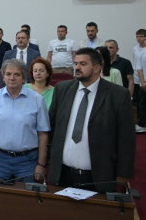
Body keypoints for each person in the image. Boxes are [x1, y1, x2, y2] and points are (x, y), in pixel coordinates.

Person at [48, 48, 136, 192]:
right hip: (63, 172)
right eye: (76, 63)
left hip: (98, 174)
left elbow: (126, 138)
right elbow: (52, 126)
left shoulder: (118, 95)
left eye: (83, 64)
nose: (77, 67)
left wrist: (123, 172)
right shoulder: (62, 89)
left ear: (97, 68)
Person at [0, 59, 50, 181]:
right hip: (0, 160)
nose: (12, 78)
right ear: (3, 77)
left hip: (28, 161)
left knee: (27, 193)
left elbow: (43, 134)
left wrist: (41, 164)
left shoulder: (37, 100)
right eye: (8, 74)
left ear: (24, 78)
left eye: (17, 74)